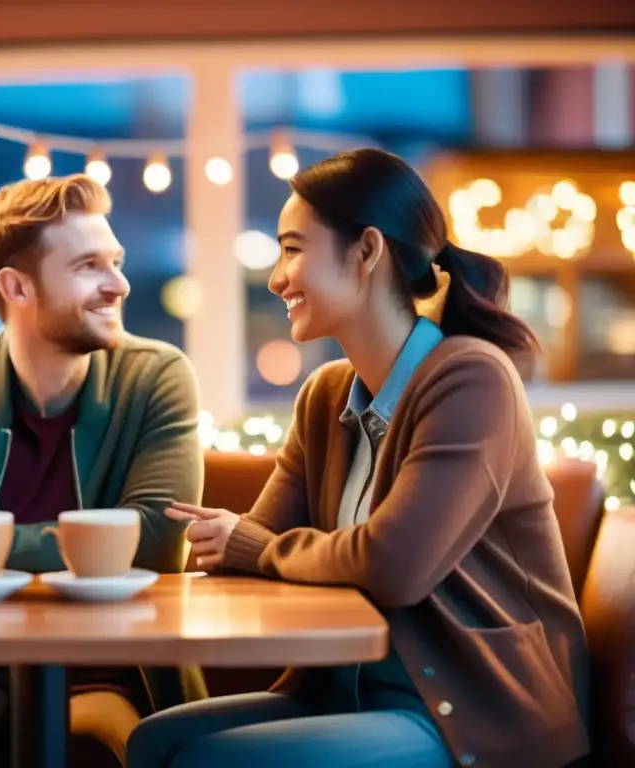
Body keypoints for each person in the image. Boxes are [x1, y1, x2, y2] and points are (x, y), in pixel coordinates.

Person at [125, 148, 591, 768]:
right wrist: (249, 545)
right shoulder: (324, 398)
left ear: (367, 252)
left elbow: (394, 563)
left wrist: (256, 548)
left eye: (293, 249)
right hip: (348, 695)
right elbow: (257, 539)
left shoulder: (472, 379)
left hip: (472, 715)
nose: (275, 278)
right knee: (153, 740)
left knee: (210, 759)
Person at [0, 173, 208, 768]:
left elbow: (153, 542)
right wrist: (88, 547)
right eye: (89, 266)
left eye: (117, 261)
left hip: (105, 673)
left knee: (89, 744)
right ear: (17, 287)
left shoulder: (156, 377)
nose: (119, 284)